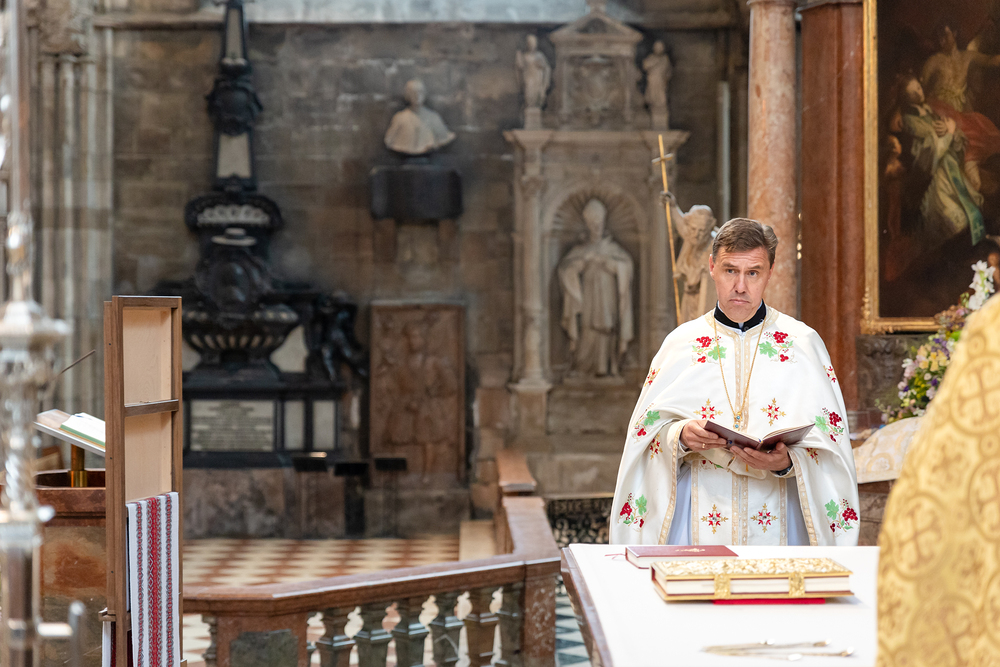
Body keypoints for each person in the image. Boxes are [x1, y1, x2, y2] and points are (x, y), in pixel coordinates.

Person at [610, 218, 859, 546]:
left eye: (753, 273)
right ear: (712, 267)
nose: (740, 286)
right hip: (696, 518)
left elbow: (833, 447)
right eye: (730, 271)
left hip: (781, 519)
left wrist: (788, 461)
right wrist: (680, 436)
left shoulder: (802, 344)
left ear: (770, 273)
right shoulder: (682, 343)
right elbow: (643, 437)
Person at [899, 76, 985, 248]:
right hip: (934, 177)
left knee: (974, 210)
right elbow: (928, 151)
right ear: (906, 98)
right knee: (956, 223)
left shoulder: (931, 112)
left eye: (919, 88)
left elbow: (955, 137)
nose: (919, 93)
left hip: (950, 170)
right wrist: (949, 133)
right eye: (913, 93)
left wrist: (952, 131)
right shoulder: (909, 120)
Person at [558, 199, 635, 377]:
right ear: (586, 224)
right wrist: (581, 263)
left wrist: (610, 264)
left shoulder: (612, 249)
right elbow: (566, 269)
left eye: (598, 222)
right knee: (587, 327)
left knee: (606, 327)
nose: (596, 227)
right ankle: (583, 366)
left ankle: (606, 366)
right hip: (588, 296)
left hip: (608, 296)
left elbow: (626, 267)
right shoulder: (581, 249)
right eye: (592, 223)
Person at [384, 79, 456, 156]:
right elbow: (389, 140)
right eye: (413, 92)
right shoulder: (399, 118)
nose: (417, 95)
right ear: (408, 95)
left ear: (424, 94)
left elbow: (444, 138)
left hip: (430, 158)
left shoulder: (433, 117)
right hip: (403, 158)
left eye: (420, 92)